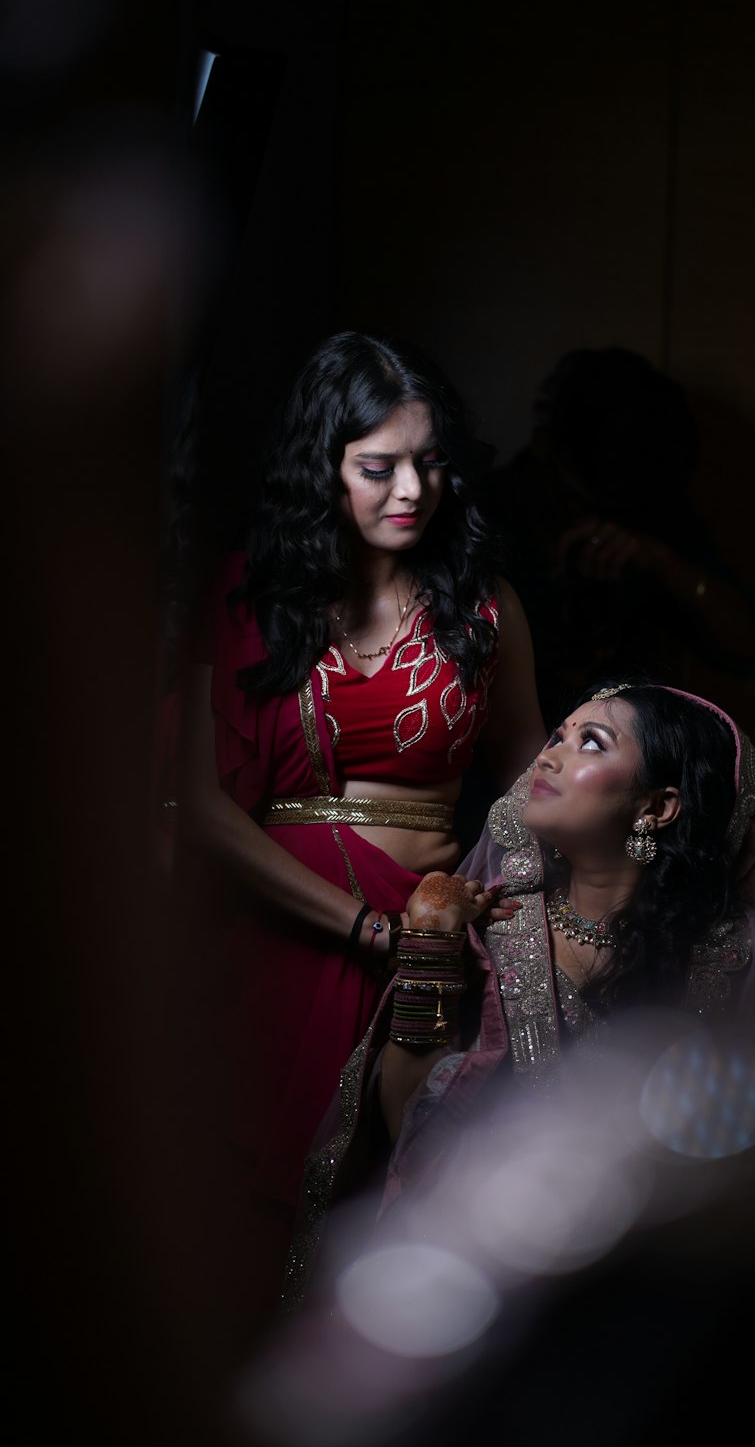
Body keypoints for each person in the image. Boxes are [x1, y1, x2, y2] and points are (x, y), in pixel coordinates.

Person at [174, 330, 546, 1314]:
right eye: (377, 467)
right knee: (248, 1225)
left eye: (429, 463)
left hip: (431, 943)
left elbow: (526, 784)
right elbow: (201, 806)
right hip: (281, 938)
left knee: (407, 1212)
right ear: (324, 468)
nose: (411, 490)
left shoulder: (484, 609)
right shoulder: (253, 598)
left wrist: (487, 916)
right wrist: (359, 929)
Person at [281, 681, 755, 1313]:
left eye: (589, 742)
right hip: (473, 1279)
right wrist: (430, 941)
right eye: (554, 736)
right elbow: (410, 1128)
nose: (548, 756)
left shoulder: (733, 957)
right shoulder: (494, 926)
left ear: (659, 806)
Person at [486, 348, 755, 730]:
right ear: (544, 445)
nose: (597, 522)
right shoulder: (484, 516)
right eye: (581, 501)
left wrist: (664, 563)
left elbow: (754, 649)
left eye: (617, 508)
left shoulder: (651, 518)